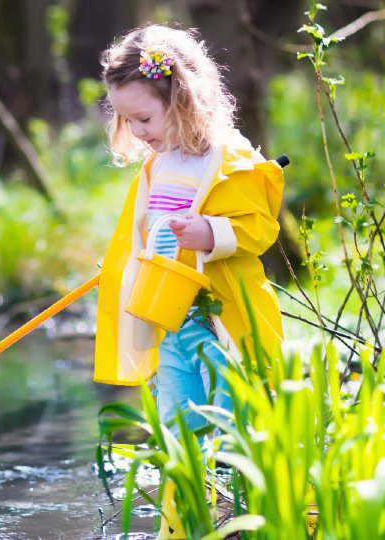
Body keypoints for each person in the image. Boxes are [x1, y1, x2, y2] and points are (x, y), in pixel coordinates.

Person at [93, 24, 285, 436]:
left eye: (143, 118)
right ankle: (193, 490)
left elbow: (260, 229)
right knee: (179, 415)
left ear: (182, 99)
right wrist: (125, 267)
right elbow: (147, 235)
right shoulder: (156, 166)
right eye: (128, 122)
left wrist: (212, 234)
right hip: (171, 319)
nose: (139, 132)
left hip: (219, 316)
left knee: (230, 409)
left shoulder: (227, 158)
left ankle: (236, 490)